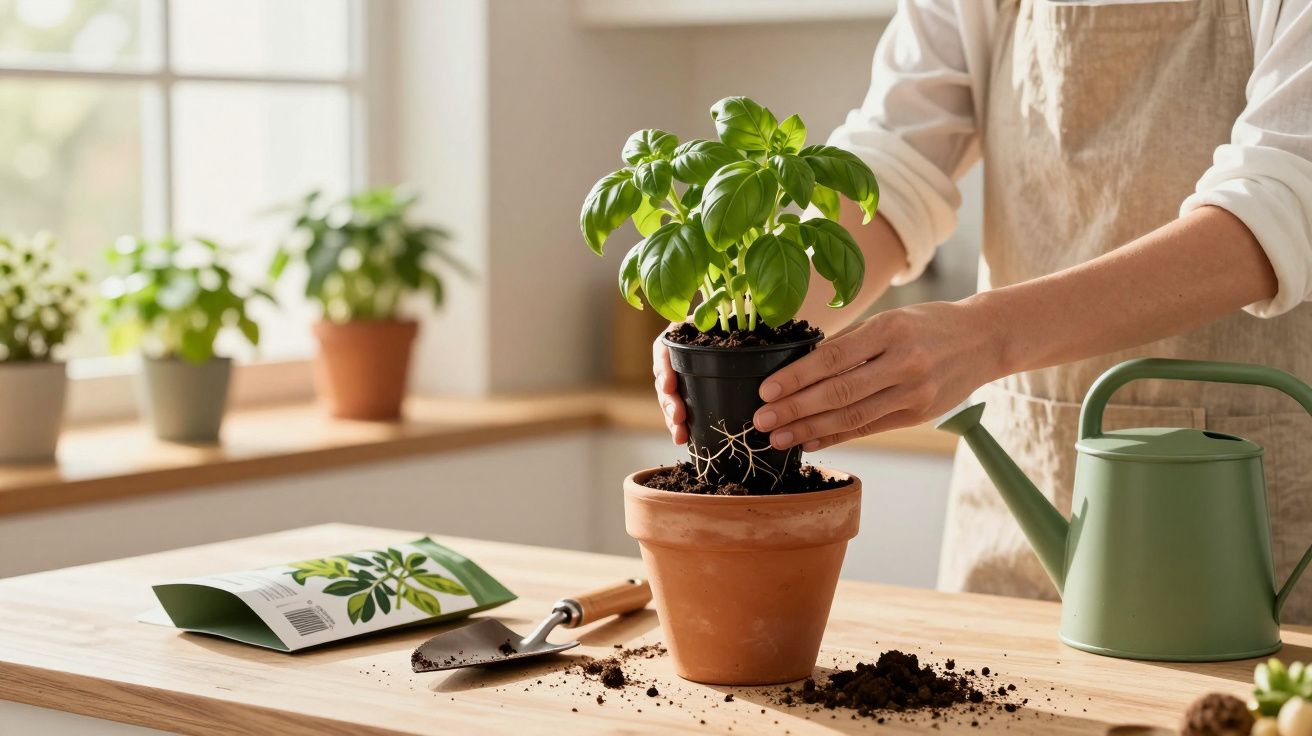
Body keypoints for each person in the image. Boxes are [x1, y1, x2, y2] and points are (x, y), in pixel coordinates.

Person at [654, 0, 1312, 620]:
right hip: (1016, 504)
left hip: (1234, 531)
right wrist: (737, 333)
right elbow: (895, 160)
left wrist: (987, 335)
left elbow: (1283, 200)